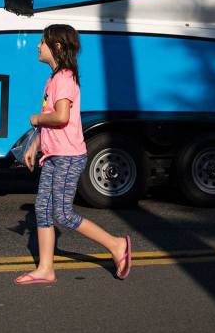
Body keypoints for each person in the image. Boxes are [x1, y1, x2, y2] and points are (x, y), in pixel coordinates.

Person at [15, 24, 132, 285]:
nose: (38, 46)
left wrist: (36, 118)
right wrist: (35, 145)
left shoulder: (65, 78)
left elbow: (61, 116)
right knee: (43, 209)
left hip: (67, 156)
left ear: (56, 46)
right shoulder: (55, 78)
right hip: (54, 154)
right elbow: (52, 120)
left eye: (42, 41)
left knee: (63, 214)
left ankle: (116, 245)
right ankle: (46, 269)